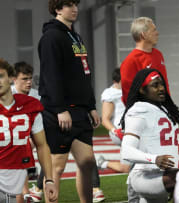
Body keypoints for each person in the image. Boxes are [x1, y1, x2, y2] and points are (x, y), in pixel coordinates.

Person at [38, 0, 101, 202]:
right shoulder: (51, 37)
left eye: (75, 4)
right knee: (56, 166)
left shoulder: (74, 36)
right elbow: (51, 75)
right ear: (57, 9)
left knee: (87, 161)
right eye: (68, 5)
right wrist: (59, 109)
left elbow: (85, 74)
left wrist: (90, 106)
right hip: (60, 111)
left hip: (80, 111)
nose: (74, 8)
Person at [0, 58, 58, 203]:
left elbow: (42, 145)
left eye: (1, 76)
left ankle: (28, 192)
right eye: (24, 78)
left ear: (9, 77)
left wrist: (49, 180)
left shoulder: (32, 104)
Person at [120, 68, 179, 203]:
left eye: (162, 84)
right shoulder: (139, 110)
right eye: (155, 85)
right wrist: (154, 159)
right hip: (145, 176)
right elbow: (126, 151)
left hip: (163, 175)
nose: (161, 88)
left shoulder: (166, 110)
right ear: (142, 90)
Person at [11, 61, 44, 202]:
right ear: (14, 79)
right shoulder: (6, 95)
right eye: (24, 79)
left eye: (30, 78)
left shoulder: (37, 96)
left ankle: (26, 193)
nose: (29, 82)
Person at [120, 17, 170, 105]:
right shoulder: (130, 61)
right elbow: (128, 95)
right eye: (153, 30)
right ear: (143, 35)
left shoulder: (158, 55)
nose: (157, 33)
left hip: (163, 108)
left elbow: (165, 83)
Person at [96, 68, 130, 173]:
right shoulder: (111, 93)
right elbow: (105, 119)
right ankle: (102, 163)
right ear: (116, 81)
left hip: (135, 129)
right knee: (126, 168)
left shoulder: (132, 89)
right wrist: (116, 131)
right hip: (121, 131)